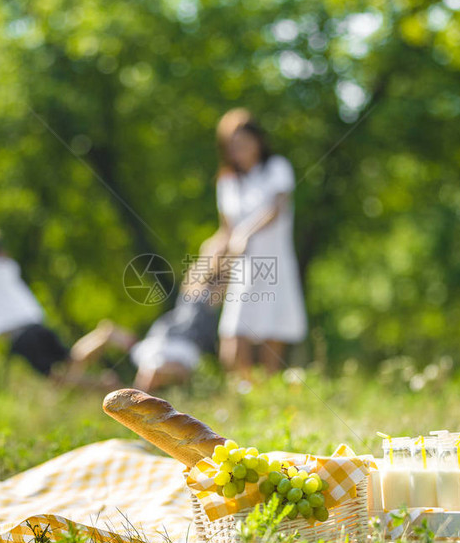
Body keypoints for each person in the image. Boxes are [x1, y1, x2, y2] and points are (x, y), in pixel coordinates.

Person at [0, 209, 117, 390]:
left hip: (18, 333)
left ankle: (104, 384)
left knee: (53, 377)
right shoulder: (7, 266)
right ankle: (104, 336)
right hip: (35, 322)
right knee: (71, 358)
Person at [71, 230, 228, 392]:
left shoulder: (212, 294)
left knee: (154, 372)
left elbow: (220, 272)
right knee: (107, 332)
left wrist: (225, 252)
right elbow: (206, 265)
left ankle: (130, 397)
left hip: (181, 348)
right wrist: (219, 247)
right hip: (157, 339)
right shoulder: (193, 287)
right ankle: (70, 369)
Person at [214, 108, 307, 379]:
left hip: (275, 262)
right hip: (243, 269)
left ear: (258, 141)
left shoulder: (277, 168)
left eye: (243, 143)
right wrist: (210, 256)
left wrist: (245, 233)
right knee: (233, 334)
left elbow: (276, 208)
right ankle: (245, 388)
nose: (238, 150)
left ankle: (267, 390)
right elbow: (225, 231)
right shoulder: (227, 181)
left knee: (273, 328)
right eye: (232, 146)